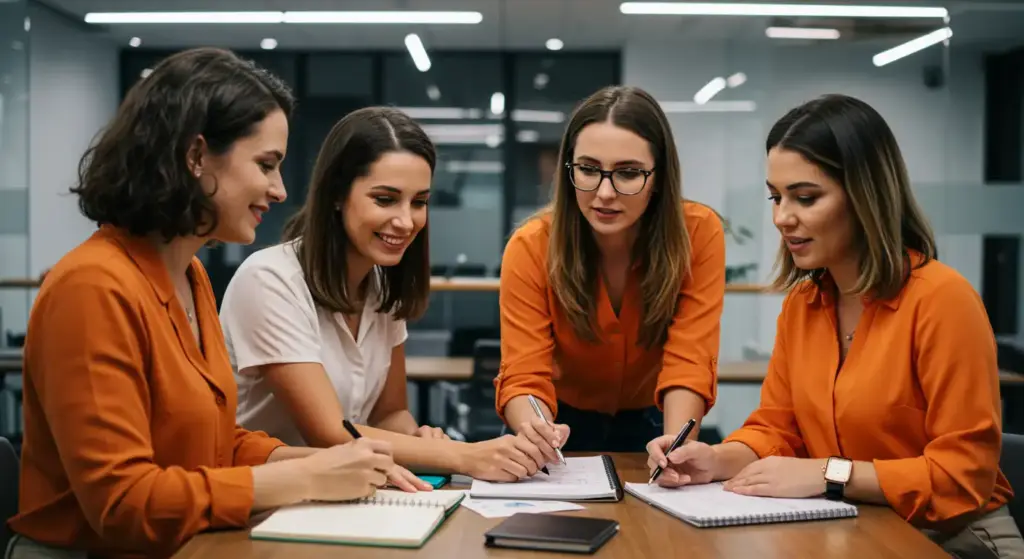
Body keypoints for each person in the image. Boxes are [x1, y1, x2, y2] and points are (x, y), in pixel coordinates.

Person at [6, 48, 398, 559]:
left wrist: (325, 462)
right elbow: (124, 504)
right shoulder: (92, 288)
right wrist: (305, 474)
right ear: (195, 157)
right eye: (266, 164)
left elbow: (212, 445)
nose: (280, 190)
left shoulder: (189, 275)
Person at [646, 93, 1024, 558]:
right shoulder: (805, 305)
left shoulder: (942, 301)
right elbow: (778, 428)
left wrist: (831, 472)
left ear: (866, 195)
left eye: (806, 197)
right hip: (856, 528)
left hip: (958, 538)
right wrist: (715, 459)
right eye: (776, 197)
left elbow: (963, 476)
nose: (782, 217)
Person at [218, 106, 547, 485]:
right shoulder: (270, 279)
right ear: (338, 195)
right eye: (385, 199)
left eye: (419, 202)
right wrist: (460, 454)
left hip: (347, 497)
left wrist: (418, 438)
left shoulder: (381, 286)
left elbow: (389, 416)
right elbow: (330, 433)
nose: (407, 221)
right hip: (263, 505)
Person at [496, 85, 726, 458]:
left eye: (629, 173)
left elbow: (690, 358)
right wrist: (537, 433)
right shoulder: (531, 245)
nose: (604, 192)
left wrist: (675, 446)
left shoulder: (698, 233)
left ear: (659, 177)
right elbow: (524, 371)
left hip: (657, 418)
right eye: (588, 169)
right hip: (557, 421)